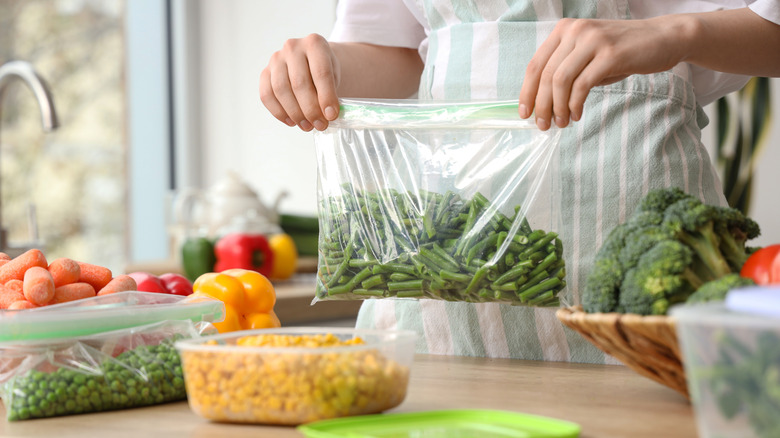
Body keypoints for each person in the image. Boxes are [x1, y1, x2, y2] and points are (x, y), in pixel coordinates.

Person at [260, 0, 780, 363]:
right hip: (438, 265)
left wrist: (674, 33)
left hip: (631, 190)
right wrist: (322, 67)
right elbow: (399, 57)